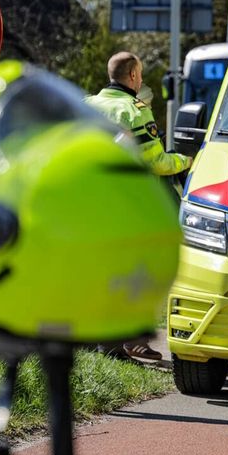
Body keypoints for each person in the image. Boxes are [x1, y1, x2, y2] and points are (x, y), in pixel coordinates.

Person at [86, 52, 191, 361]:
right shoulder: (134, 110)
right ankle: (115, 345)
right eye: (140, 74)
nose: (141, 79)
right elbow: (156, 161)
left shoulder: (85, 105)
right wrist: (187, 160)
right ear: (132, 76)